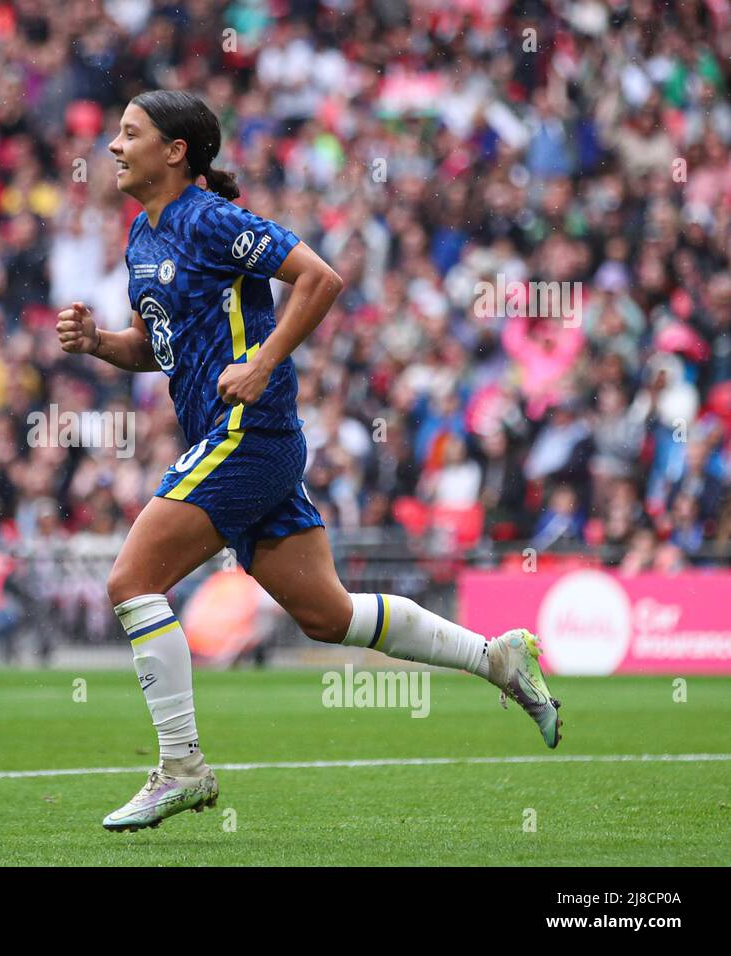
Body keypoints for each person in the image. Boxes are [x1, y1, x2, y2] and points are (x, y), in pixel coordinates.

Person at [57, 90, 563, 832]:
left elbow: (320, 277)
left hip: (247, 432)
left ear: (176, 151)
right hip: (234, 440)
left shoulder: (210, 219)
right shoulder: (143, 236)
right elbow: (153, 346)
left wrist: (263, 361)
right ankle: (498, 657)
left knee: (133, 579)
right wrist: (100, 342)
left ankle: (182, 767)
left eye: (129, 133)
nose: (113, 146)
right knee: (328, 615)